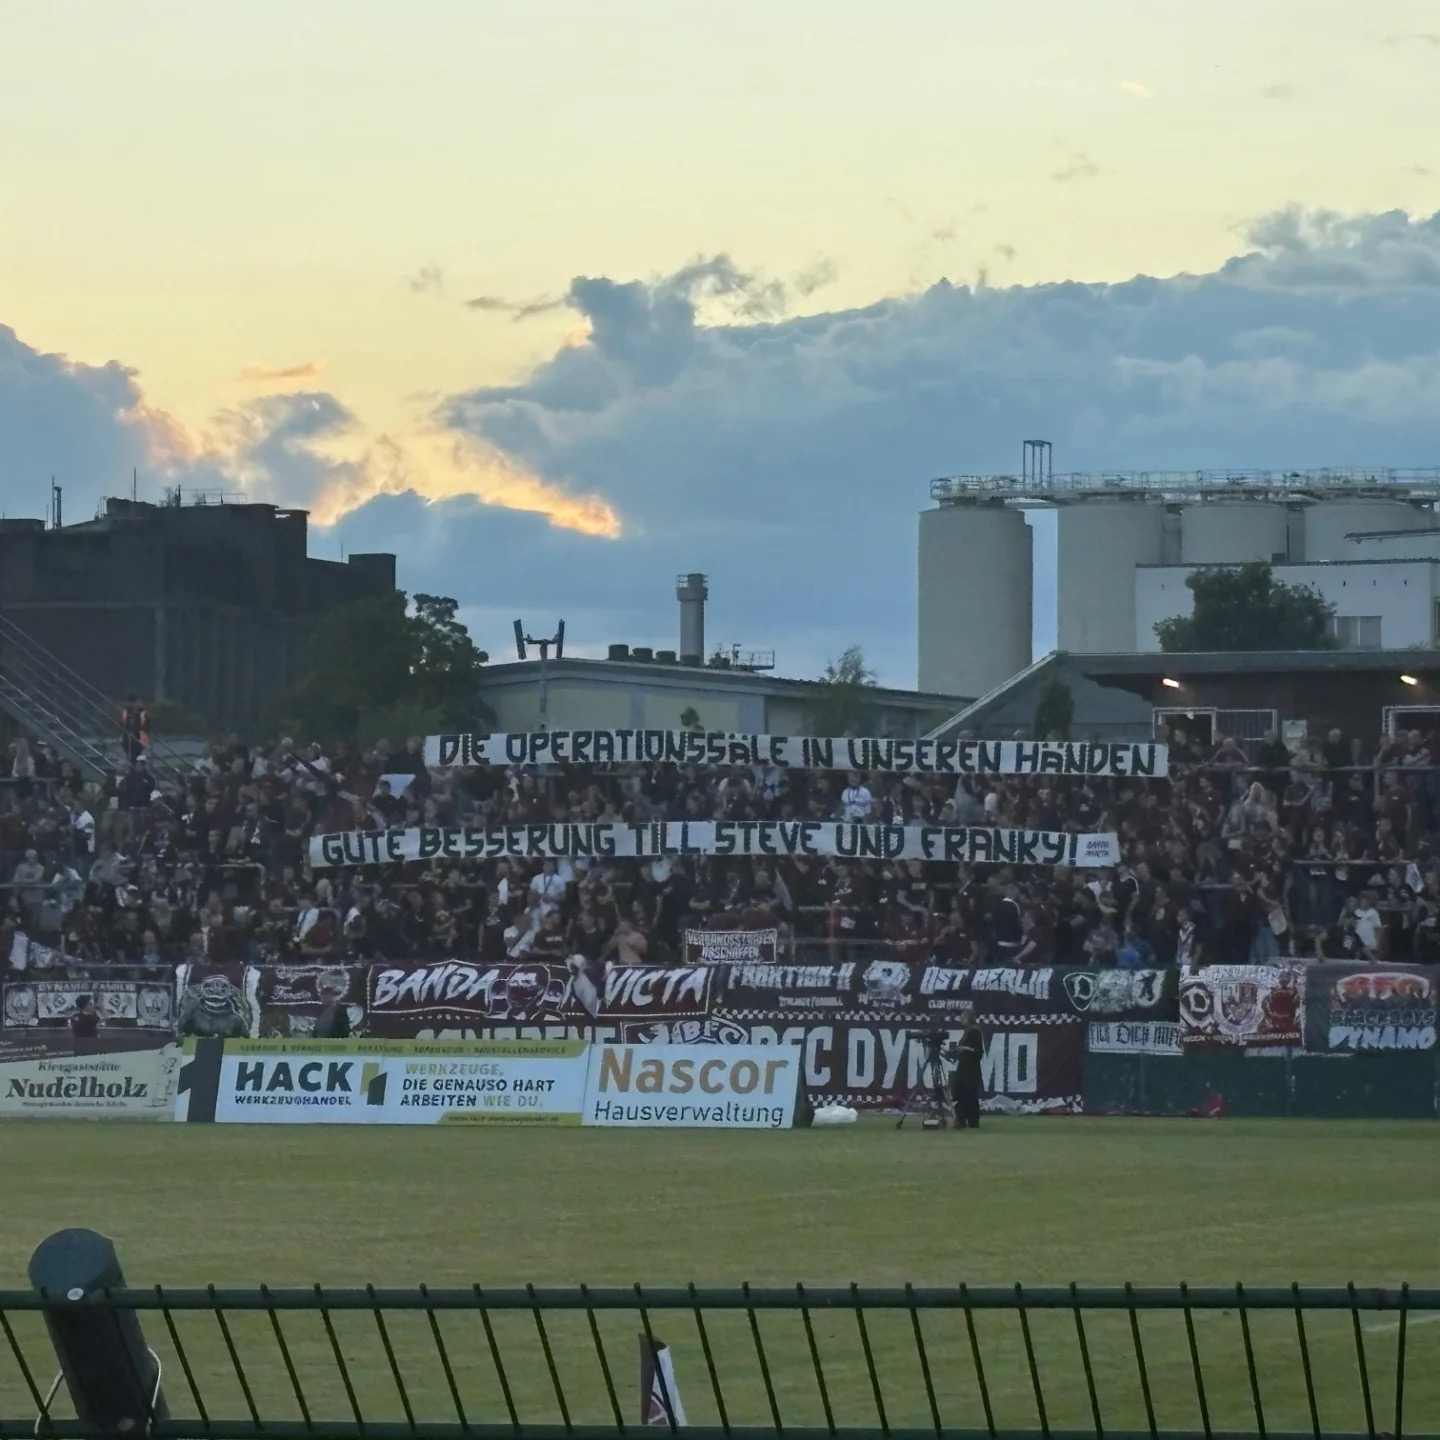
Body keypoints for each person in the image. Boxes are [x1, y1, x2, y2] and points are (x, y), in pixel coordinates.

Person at [949, 1016, 984, 1131]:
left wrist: (964, 1048)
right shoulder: (968, 1031)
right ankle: (962, 1119)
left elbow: (978, 1052)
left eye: (963, 1018)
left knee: (969, 1095)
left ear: (969, 1019)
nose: (961, 1020)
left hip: (971, 1069)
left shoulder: (974, 1032)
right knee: (961, 1094)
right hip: (964, 1068)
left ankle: (970, 1121)